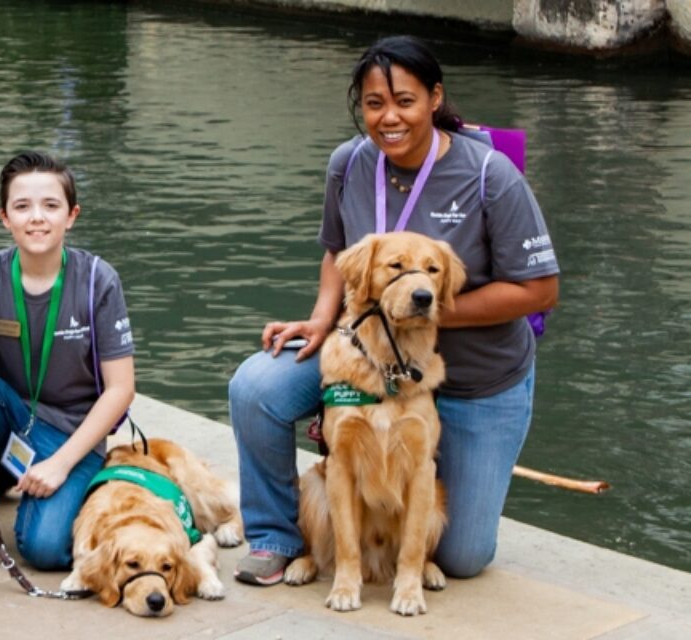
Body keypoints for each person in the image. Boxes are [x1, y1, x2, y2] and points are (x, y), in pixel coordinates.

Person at [228, 35, 561, 585]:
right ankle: (276, 537)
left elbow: (539, 291)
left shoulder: (490, 176)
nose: (389, 119)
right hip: (366, 357)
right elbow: (337, 250)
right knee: (256, 387)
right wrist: (321, 317)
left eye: (404, 101)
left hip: (473, 380)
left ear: (435, 98)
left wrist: (422, 312)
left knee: (462, 557)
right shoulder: (350, 164)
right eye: (374, 104)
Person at [0, 151, 136, 573]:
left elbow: (122, 389)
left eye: (50, 205)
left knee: (44, 550)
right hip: (11, 413)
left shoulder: (97, 280)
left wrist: (61, 463)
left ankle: (73, 486)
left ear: (71, 215)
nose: (37, 217)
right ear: (4, 217)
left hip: (69, 431)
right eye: (22, 206)